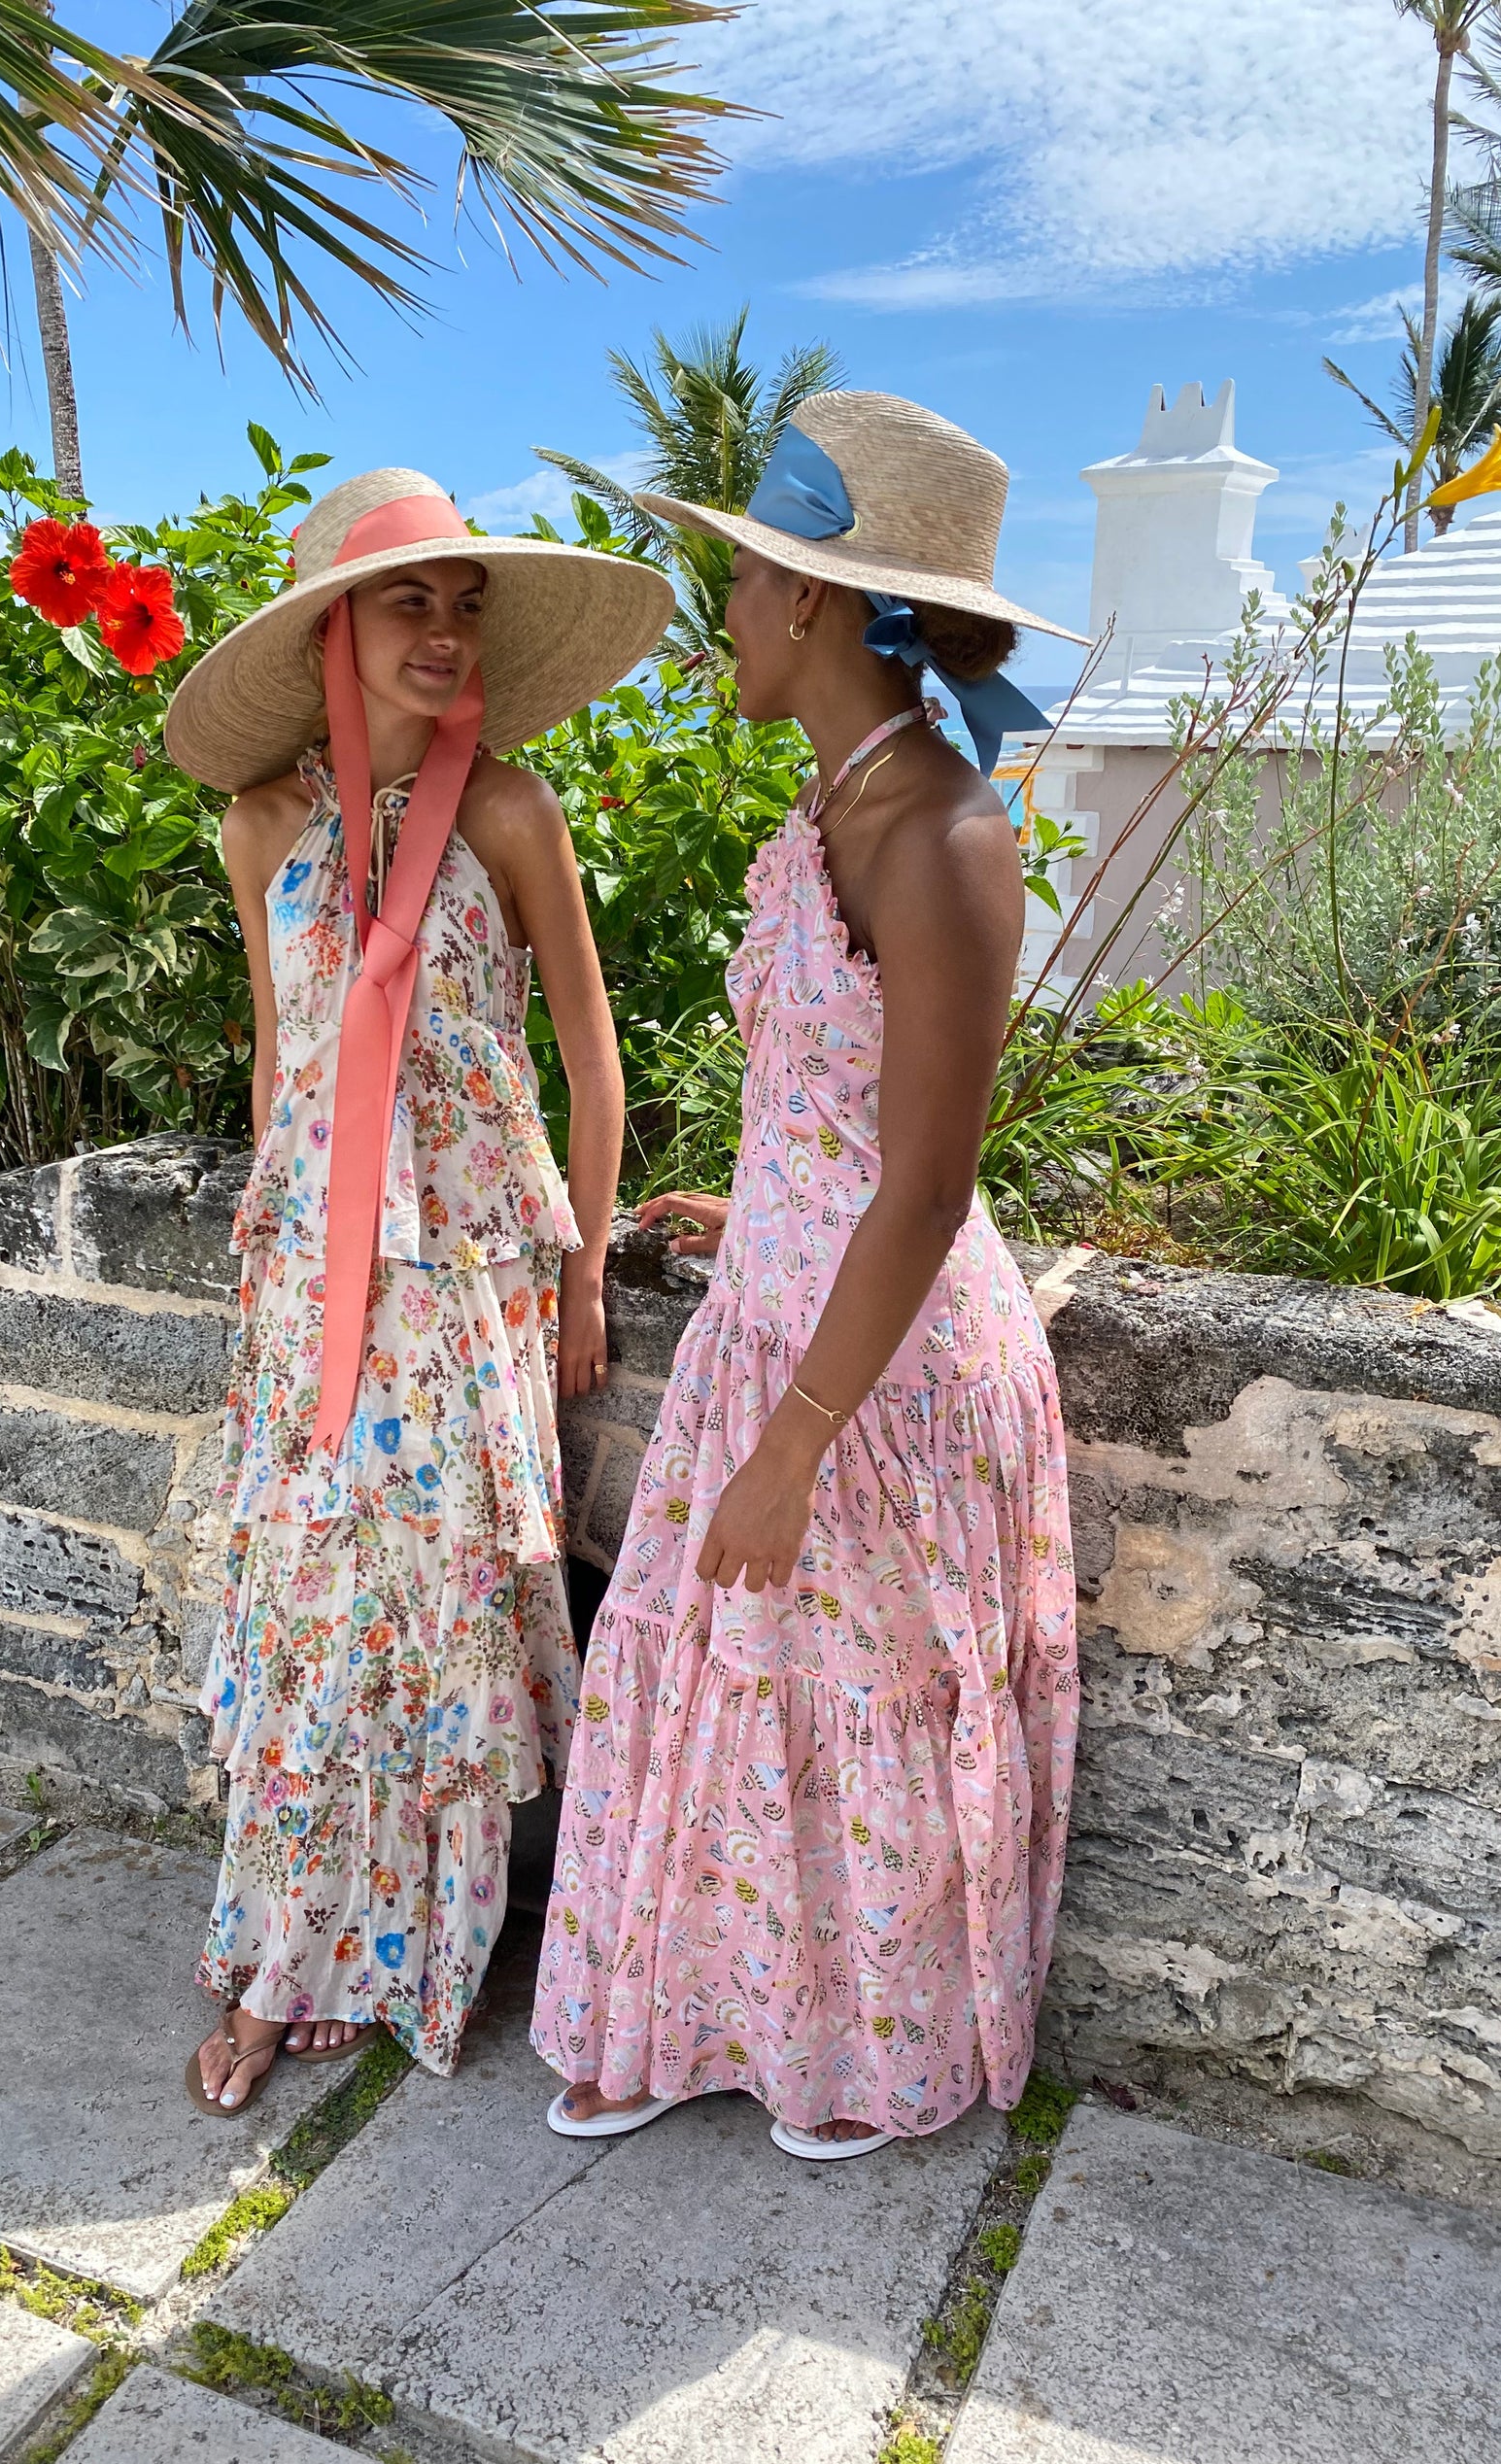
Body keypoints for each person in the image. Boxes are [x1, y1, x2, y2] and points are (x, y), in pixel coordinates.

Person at [532, 392, 1083, 2161]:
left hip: (883, 1377)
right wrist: (751, 1196)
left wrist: (795, 1439)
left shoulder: (943, 834)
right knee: (723, 1693)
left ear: (818, 608)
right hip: (784, 1303)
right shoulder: (833, 805)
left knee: (849, 1728)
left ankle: (860, 2063)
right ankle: (705, 2022)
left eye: (746, 578)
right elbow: (837, 1110)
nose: (725, 613)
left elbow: (925, 1184)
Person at [164, 469, 672, 2111]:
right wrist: (274, 1262)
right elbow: (280, 1061)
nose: (446, 632)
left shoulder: (514, 814)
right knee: (313, 1626)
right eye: (410, 601)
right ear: (333, 626)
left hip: (464, 1288)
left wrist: (584, 1265)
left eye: (465, 605)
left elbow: (590, 1073)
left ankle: (420, 1957)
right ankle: (271, 1959)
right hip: (314, 1291)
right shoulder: (260, 826)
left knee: (441, 1623)